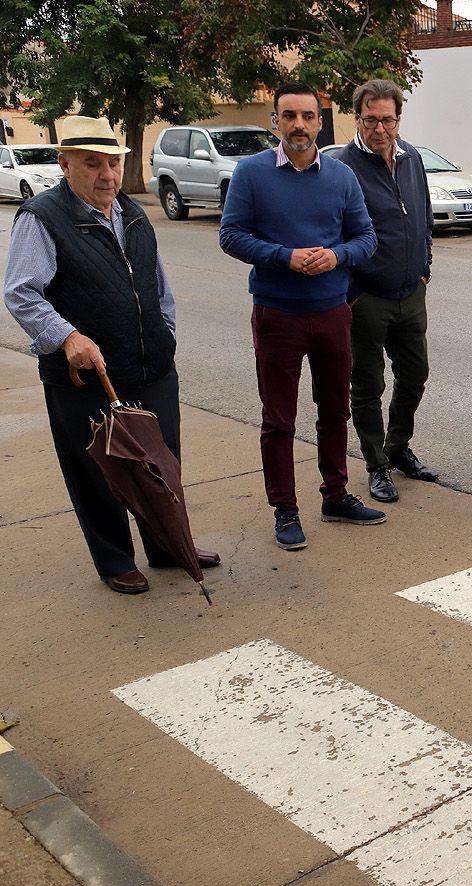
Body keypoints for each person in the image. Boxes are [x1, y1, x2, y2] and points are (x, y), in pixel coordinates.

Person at [3, 115, 219, 594]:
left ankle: (167, 546)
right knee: (97, 471)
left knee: (161, 465)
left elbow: (158, 285)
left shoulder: (133, 213)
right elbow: (21, 292)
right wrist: (65, 337)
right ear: (64, 165)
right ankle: (115, 559)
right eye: (91, 163)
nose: (106, 175)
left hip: (150, 366)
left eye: (113, 163)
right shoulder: (42, 217)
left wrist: (166, 333)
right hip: (85, 376)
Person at [220, 81, 383, 550]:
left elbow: (366, 238)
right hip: (277, 315)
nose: (298, 125)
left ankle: (335, 495)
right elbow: (231, 236)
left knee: (335, 410)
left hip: (333, 312)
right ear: (276, 121)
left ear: (319, 121)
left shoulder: (339, 177)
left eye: (308, 116)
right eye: (289, 116)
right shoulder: (251, 173)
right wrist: (283, 256)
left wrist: (336, 256)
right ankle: (285, 509)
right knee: (279, 420)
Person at [333, 78, 437, 504]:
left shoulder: (411, 158)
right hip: (367, 297)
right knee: (368, 385)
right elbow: (334, 233)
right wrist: (352, 289)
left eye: (388, 120)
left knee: (415, 375)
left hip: (411, 292)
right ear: (357, 118)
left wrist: (425, 268)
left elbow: (425, 215)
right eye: (371, 120)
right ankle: (376, 464)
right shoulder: (342, 167)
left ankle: (397, 447)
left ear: (399, 118)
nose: (380, 129)